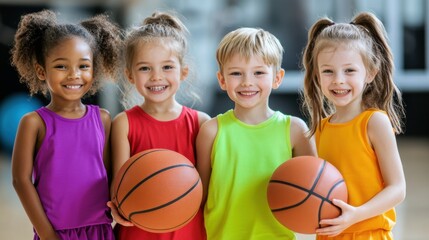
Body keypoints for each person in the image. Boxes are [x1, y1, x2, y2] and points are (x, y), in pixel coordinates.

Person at [10, 9, 122, 240]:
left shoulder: (103, 119)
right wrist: (47, 234)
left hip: (99, 229)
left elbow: (110, 175)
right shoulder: (34, 123)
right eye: (61, 66)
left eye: (83, 66)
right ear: (42, 71)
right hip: (55, 232)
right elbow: (20, 180)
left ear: (94, 69)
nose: (74, 75)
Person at [196, 27, 317, 239]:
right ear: (222, 79)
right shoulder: (211, 131)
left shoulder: (295, 130)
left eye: (258, 72)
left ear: (277, 78)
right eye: (236, 73)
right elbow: (199, 195)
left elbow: (315, 191)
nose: (247, 82)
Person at [300, 12, 406, 239]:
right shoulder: (320, 128)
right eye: (328, 71)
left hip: (369, 233)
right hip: (330, 235)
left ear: (370, 73)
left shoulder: (374, 122)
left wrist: (356, 214)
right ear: (317, 75)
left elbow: (398, 188)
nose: (338, 79)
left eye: (349, 70)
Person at [107, 11, 210, 240]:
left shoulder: (202, 123)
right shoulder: (124, 123)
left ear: (183, 72)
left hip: (187, 230)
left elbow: (205, 191)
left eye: (167, 67)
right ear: (130, 75)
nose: (156, 77)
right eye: (145, 68)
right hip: (138, 229)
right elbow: (119, 184)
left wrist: (173, 203)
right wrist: (119, 204)